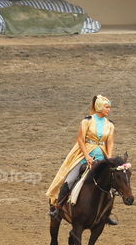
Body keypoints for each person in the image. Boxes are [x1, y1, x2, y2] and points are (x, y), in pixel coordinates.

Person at [46, 95, 118, 224]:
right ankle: (58, 207)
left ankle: (106, 213)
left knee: (112, 184)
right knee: (69, 180)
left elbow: (110, 143)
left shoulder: (110, 125)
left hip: (102, 158)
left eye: (109, 107)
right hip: (84, 156)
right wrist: (87, 157)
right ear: (99, 107)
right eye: (107, 107)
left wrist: (109, 159)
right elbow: (80, 139)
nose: (109, 110)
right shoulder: (87, 121)